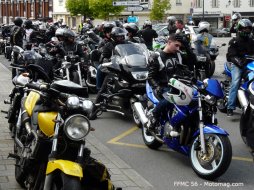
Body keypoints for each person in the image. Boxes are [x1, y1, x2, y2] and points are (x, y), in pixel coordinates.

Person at [146, 33, 192, 130]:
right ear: (169, 42)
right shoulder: (156, 56)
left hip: (179, 85)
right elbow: (150, 77)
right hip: (163, 86)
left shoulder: (178, 55)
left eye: (180, 46)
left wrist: (186, 46)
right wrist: (157, 87)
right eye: (176, 45)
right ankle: (154, 115)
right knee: (172, 98)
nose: (178, 48)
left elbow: (193, 61)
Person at [226, 19, 254, 116]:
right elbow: (231, 55)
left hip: (250, 65)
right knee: (236, 82)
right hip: (238, 65)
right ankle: (230, 107)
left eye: (248, 28)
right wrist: (240, 62)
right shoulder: (234, 41)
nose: (247, 30)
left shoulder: (251, 41)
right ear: (240, 29)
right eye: (245, 28)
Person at [95, 27, 127, 103]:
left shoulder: (127, 44)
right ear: (114, 37)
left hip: (125, 67)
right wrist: (106, 61)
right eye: (119, 36)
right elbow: (104, 57)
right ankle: (95, 107)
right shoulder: (108, 45)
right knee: (104, 84)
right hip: (114, 68)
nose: (122, 38)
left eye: (122, 36)